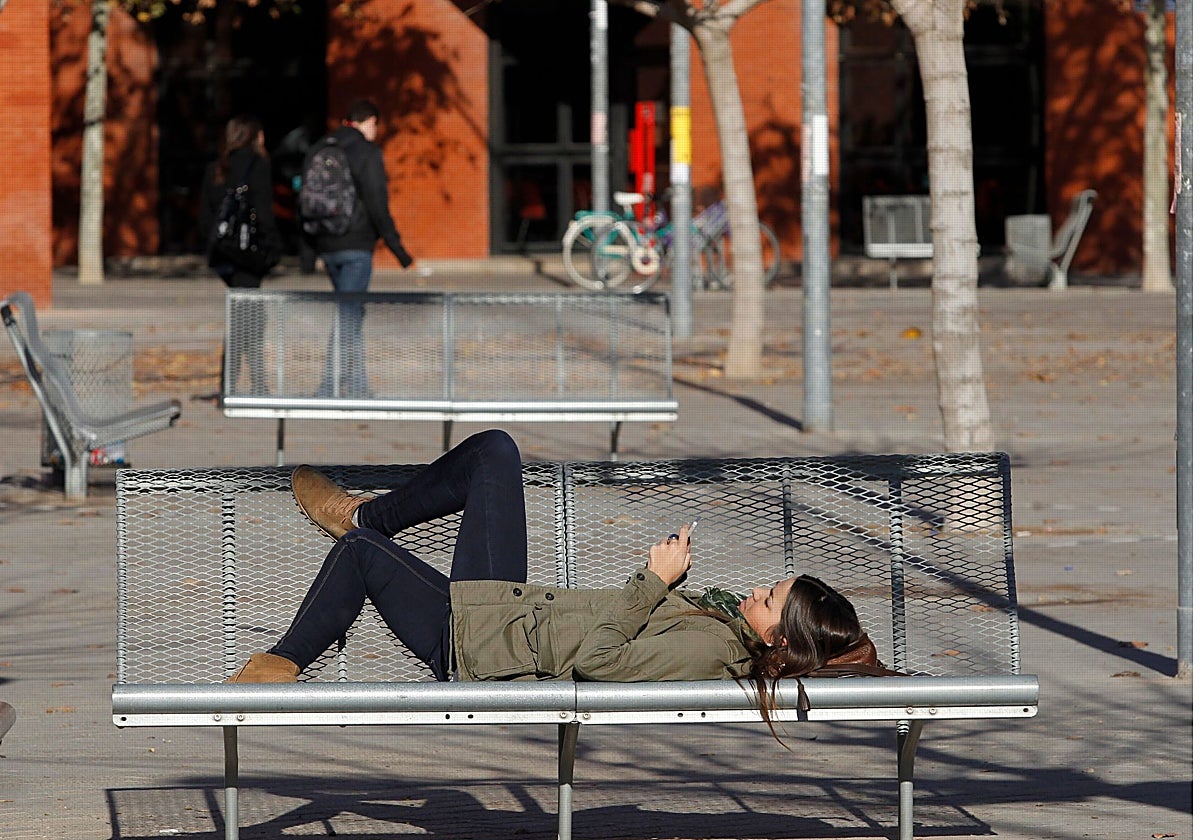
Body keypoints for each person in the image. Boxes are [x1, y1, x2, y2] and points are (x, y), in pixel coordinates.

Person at [228, 431, 891, 722]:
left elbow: (601, 663)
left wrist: (654, 580)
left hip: (480, 650)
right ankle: (367, 514)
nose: (756, 591)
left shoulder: (710, 648)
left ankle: (275, 668)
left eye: (768, 599)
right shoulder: (722, 629)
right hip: (507, 620)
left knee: (357, 556)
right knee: (495, 453)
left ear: (779, 642)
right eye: (770, 585)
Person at [303, 98, 414, 398]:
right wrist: (398, 250)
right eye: (376, 125)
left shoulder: (319, 148)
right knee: (348, 315)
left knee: (351, 312)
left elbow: (306, 198)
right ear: (369, 121)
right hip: (356, 245)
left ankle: (358, 385)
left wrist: (308, 251)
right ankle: (328, 387)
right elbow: (378, 203)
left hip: (327, 243)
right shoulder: (366, 151)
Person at [198, 115, 282, 394]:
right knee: (250, 322)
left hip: (224, 256)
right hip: (249, 255)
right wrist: (273, 247)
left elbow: (204, 219)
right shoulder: (257, 166)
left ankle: (233, 385)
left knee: (242, 317)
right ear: (254, 137)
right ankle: (251, 385)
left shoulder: (216, 168)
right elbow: (264, 212)